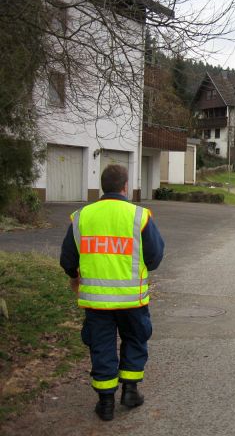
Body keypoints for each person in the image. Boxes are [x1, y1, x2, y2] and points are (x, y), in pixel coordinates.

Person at [59, 164, 164, 421]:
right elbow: (155, 257)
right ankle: (130, 392)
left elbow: (67, 259)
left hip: (95, 302)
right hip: (132, 300)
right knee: (135, 339)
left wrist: (75, 278)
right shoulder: (139, 216)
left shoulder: (82, 216)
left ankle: (105, 403)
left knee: (101, 345)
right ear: (125, 186)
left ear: (103, 186)